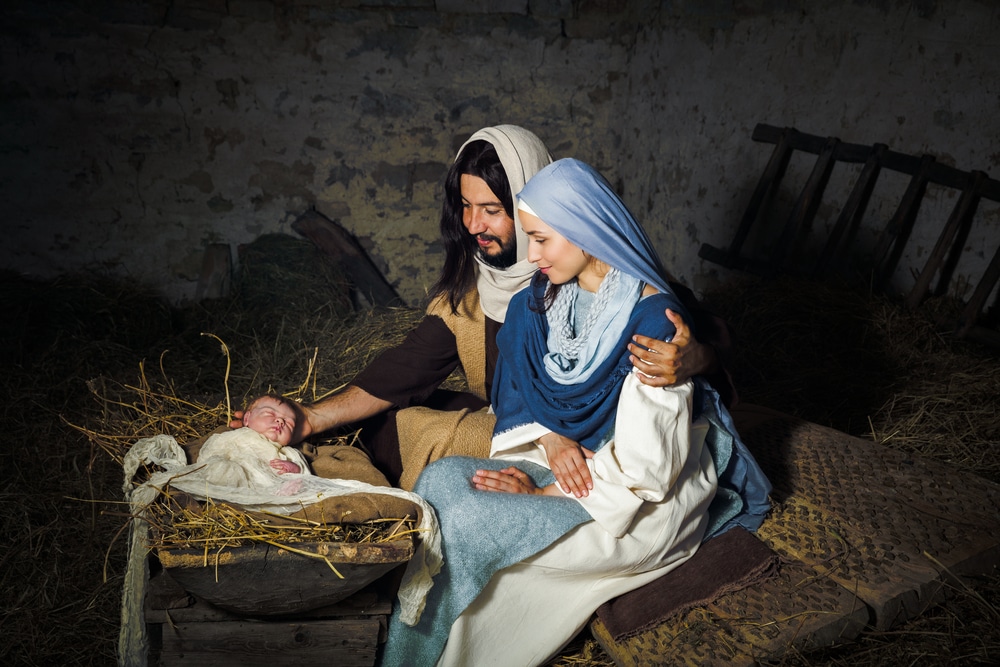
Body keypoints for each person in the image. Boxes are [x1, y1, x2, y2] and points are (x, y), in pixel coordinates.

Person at [379, 159, 771, 666]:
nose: (532, 254)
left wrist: (546, 490)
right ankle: (413, 645)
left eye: (542, 238)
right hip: (567, 462)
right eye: (529, 238)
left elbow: (648, 471)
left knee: (474, 521)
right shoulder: (534, 304)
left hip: (632, 502)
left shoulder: (653, 321)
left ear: (585, 230)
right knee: (441, 482)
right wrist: (551, 439)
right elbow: (515, 392)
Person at [235, 125, 733, 490]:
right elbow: (406, 367)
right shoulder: (476, 291)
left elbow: (703, 336)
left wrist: (694, 359)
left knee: (429, 439)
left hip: (586, 437)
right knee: (388, 420)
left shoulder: (611, 278)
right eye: (465, 206)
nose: (474, 224)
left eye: (492, 210)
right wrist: (309, 418)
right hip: (520, 421)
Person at [197, 394, 311, 488]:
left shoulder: (287, 452)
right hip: (234, 478)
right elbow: (214, 450)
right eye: (269, 413)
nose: (280, 421)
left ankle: (282, 493)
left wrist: (295, 468)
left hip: (268, 486)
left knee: (294, 484)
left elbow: (304, 473)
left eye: (289, 424)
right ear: (247, 419)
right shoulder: (237, 436)